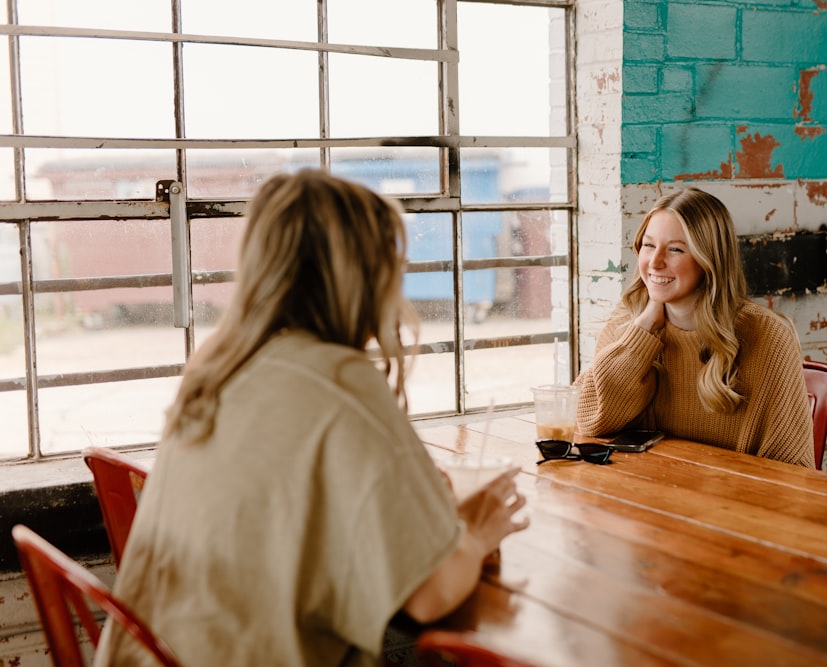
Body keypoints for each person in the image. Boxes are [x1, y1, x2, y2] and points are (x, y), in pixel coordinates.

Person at [93, 169, 528, 666]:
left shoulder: (221, 365)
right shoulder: (340, 378)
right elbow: (429, 595)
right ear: (366, 272)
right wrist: (478, 535)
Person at [574, 188, 814, 468]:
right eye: (649, 245)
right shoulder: (627, 321)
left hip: (731, 505)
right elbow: (589, 421)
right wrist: (644, 329)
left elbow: (792, 471)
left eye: (675, 249)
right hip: (643, 495)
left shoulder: (767, 335)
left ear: (709, 260)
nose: (655, 262)